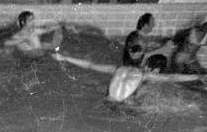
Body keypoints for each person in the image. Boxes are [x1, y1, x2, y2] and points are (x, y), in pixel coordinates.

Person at [51, 52, 205, 108]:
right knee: (152, 107)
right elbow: (172, 77)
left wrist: (64, 57)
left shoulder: (118, 68)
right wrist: (199, 76)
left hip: (106, 101)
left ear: (145, 63)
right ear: (156, 70)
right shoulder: (145, 76)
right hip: (122, 106)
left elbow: (90, 65)